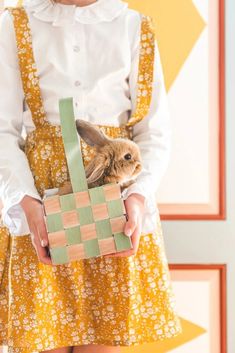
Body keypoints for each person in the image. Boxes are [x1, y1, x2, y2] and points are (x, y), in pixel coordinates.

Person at [0, 0, 182, 352]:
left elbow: (153, 132)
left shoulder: (134, 27)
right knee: (41, 340)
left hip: (113, 210)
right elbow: (2, 131)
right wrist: (25, 201)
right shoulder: (15, 24)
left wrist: (138, 197)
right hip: (42, 212)